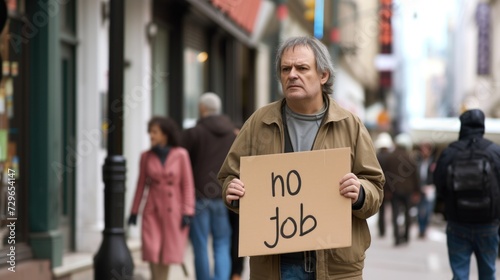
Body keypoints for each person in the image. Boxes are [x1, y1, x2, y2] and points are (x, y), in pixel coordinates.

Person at [218, 36, 385, 279]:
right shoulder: (258, 122)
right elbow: (228, 177)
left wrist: (360, 193)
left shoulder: (350, 126)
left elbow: (376, 188)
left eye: (302, 68)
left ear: (323, 75)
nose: (292, 74)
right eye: (286, 69)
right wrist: (231, 193)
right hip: (275, 266)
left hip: (335, 267)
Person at [434, 109, 500, 280]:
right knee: (488, 273)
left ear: (462, 126)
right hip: (488, 223)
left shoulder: (451, 151)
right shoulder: (494, 151)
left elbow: (439, 183)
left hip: (457, 222)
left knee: (460, 274)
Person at [128, 116, 195, 280]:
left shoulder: (181, 155)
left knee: (167, 254)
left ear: (165, 134)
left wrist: (188, 211)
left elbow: (187, 184)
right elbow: (141, 185)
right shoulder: (146, 156)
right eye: (150, 131)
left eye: (155, 132)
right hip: (152, 211)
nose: (151, 135)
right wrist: (134, 211)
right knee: (152, 251)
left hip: (174, 213)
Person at [182, 93, 236, 280]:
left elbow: (183, 163)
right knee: (222, 243)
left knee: (200, 244)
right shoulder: (231, 133)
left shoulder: (194, 133)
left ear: (202, 109)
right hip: (223, 195)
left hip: (199, 196)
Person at [384, 133, 420, 246]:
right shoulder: (411, 157)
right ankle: (406, 236)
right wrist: (417, 191)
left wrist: (387, 190)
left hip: (394, 190)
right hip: (408, 190)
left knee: (395, 214)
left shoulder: (390, 157)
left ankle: (397, 238)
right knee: (407, 213)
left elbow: (385, 175)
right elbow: (416, 176)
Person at [374, 132, 394, 238]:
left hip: (379, 187)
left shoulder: (376, 156)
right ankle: (392, 231)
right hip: (389, 188)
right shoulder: (391, 157)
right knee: (393, 210)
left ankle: (382, 230)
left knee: (381, 211)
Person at [416, 142, 436, 239]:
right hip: (420, 188)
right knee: (419, 211)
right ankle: (420, 229)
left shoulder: (433, 162)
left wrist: (431, 185)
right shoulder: (418, 161)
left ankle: (424, 229)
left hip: (430, 188)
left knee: (428, 210)